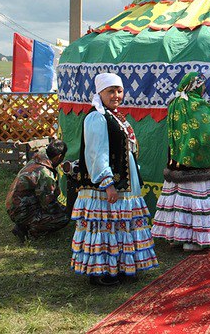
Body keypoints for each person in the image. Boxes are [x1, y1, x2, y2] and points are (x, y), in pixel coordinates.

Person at [70, 72, 158, 287]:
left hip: (125, 181)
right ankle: (101, 272)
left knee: (120, 224)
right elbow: (96, 153)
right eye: (110, 91)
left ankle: (121, 266)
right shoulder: (97, 117)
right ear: (100, 93)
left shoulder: (114, 115)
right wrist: (107, 183)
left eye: (119, 91)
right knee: (105, 226)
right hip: (106, 185)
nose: (116, 95)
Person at [151, 72, 210, 251]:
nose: (204, 90)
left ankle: (177, 237)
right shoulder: (197, 104)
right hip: (194, 163)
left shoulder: (175, 103)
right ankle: (192, 240)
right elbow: (204, 133)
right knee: (193, 201)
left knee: (178, 200)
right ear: (196, 86)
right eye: (203, 87)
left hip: (176, 159)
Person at [5, 139, 70, 241]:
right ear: (59, 157)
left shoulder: (37, 159)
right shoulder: (44, 173)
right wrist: (66, 210)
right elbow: (49, 205)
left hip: (14, 206)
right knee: (64, 218)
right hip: (21, 211)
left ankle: (23, 224)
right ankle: (31, 229)